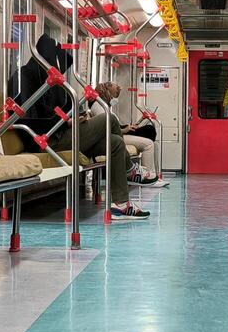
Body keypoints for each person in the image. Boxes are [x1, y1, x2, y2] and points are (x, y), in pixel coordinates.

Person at [13, 34, 149, 219]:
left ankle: (121, 205)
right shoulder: (24, 78)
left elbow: (66, 107)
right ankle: (129, 170)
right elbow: (28, 119)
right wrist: (65, 122)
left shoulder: (48, 80)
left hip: (63, 132)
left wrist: (77, 116)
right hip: (48, 140)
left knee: (116, 142)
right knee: (109, 119)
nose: (58, 70)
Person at [94, 82, 169, 187]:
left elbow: (114, 125)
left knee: (153, 142)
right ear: (106, 93)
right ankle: (148, 176)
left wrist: (127, 127)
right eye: (113, 95)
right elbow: (107, 128)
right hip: (113, 137)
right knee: (148, 144)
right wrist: (125, 130)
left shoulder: (104, 106)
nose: (114, 99)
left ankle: (155, 175)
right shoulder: (98, 106)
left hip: (118, 134)